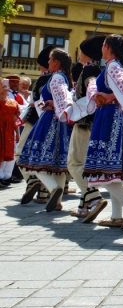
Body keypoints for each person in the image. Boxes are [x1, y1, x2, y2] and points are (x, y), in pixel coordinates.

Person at [83, 35, 123, 228]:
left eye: (104, 45)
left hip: (111, 118)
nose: (102, 48)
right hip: (113, 115)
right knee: (111, 168)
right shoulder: (115, 66)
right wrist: (105, 95)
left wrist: (111, 97)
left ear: (109, 47)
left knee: (104, 167)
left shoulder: (113, 67)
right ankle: (116, 215)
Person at [17, 48, 74, 212]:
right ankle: (57, 201)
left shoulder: (56, 77)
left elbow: (64, 98)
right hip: (61, 124)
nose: (48, 62)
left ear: (56, 62)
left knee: (36, 160)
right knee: (59, 165)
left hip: (50, 121)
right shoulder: (64, 77)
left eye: (50, 59)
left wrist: (56, 106)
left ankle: (52, 188)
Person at [63, 35, 108, 221]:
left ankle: (94, 197)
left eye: (81, 51)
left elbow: (91, 84)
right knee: (84, 164)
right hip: (92, 121)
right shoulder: (97, 67)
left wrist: (92, 92)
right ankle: (84, 205)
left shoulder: (89, 68)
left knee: (74, 164)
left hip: (84, 122)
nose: (79, 54)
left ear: (86, 53)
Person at [16, 46, 56, 199]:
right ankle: (45, 191)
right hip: (52, 123)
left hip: (36, 121)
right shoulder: (61, 77)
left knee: (20, 153)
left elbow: (38, 101)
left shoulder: (44, 78)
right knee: (44, 157)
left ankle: (32, 181)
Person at [0, 79, 20, 185]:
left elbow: (14, 119)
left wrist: (17, 133)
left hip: (9, 130)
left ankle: (6, 175)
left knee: (9, 152)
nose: (5, 87)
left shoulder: (12, 102)